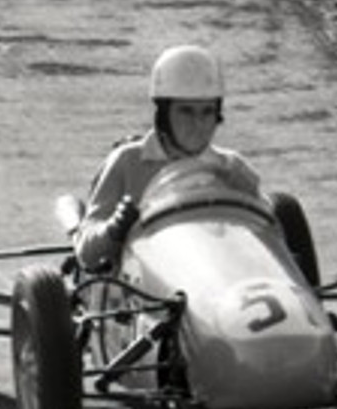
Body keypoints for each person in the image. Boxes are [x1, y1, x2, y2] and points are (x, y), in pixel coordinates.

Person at [74, 45, 260, 272]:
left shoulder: (232, 167)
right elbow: (85, 254)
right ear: (163, 114)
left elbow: (274, 243)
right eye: (186, 112)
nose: (198, 125)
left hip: (218, 286)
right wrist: (114, 228)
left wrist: (251, 203)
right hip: (146, 293)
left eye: (207, 112)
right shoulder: (127, 160)